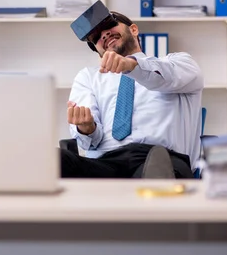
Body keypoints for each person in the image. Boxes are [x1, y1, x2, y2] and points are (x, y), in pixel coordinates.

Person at [60, 10, 204, 179]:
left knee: (157, 166)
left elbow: (167, 76)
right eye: (96, 37)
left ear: (134, 29)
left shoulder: (178, 62)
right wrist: (86, 128)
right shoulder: (88, 77)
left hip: (160, 158)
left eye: (109, 25)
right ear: (98, 52)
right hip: (106, 164)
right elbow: (87, 142)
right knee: (52, 160)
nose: (104, 34)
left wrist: (131, 65)